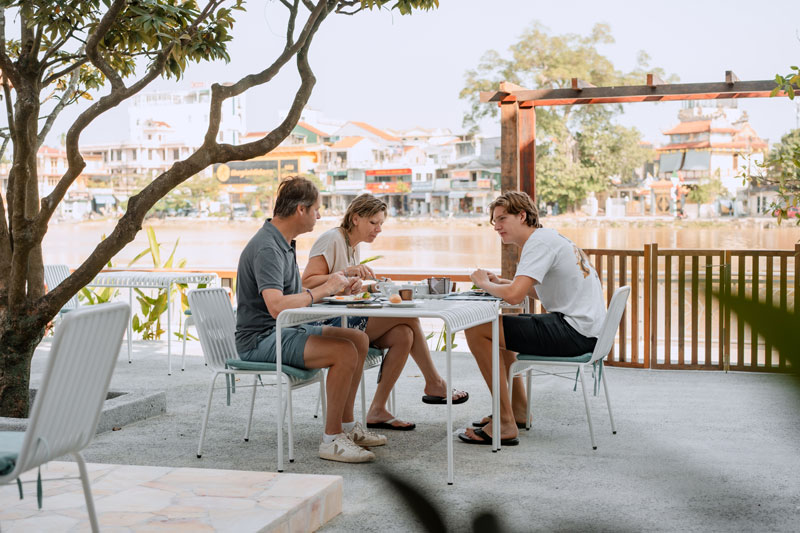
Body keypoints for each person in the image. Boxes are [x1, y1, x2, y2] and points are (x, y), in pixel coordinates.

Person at [235, 177, 387, 463]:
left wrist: (336, 284)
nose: (319, 215)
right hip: (262, 338)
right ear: (301, 210)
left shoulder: (283, 242)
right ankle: (331, 440)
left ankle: (346, 426)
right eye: (316, 209)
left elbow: (296, 296)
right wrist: (325, 289)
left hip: (287, 328)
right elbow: (277, 306)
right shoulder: (268, 247)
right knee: (343, 352)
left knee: (358, 339)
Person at [302, 193, 469, 431]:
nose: (378, 229)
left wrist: (353, 285)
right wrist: (347, 274)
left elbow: (337, 285)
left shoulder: (353, 246)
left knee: (404, 334)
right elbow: (306, 282)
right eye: (373, 223)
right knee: (408, 315)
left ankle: (377, 410)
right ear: (356, 218)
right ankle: (435, 383)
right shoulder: (332, 239)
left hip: (345, 315)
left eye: (381, 224)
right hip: (325, 321)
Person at [459, 191, 606, 446]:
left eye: (502, 219)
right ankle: (518, 411)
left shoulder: (538, 243)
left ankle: (505, 423)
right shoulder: (547, 238)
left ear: (523, 216)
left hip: (574, 332)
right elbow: (535, 290)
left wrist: (484, 282)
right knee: (499, 335)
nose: (497, 227)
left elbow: (515, 297)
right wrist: (503, 283)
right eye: (494, 221)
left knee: (476, 330)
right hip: (585, 331)